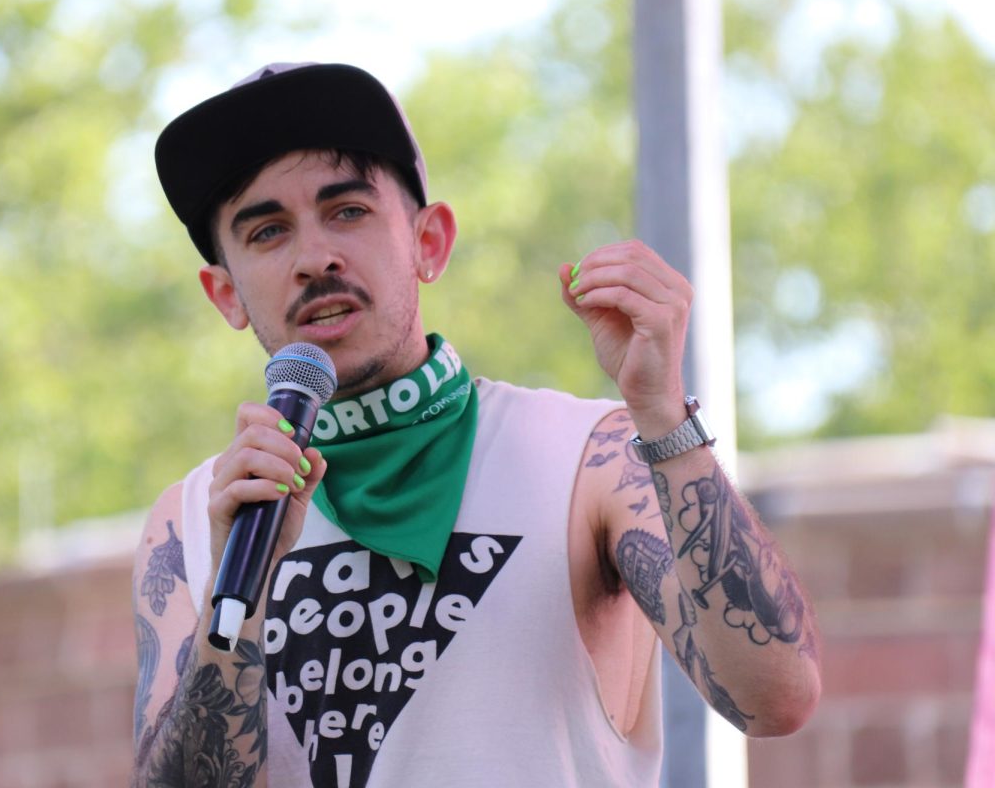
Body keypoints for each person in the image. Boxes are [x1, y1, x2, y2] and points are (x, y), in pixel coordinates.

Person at [130, 62, 821, 788]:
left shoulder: (591, 457)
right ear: (225, 293)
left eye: (348, 212)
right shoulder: (190, 526)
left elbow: (776, 697)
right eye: (268, 232)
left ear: (429, 243)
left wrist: (663, 415)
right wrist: (235, 607)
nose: (315, 258)